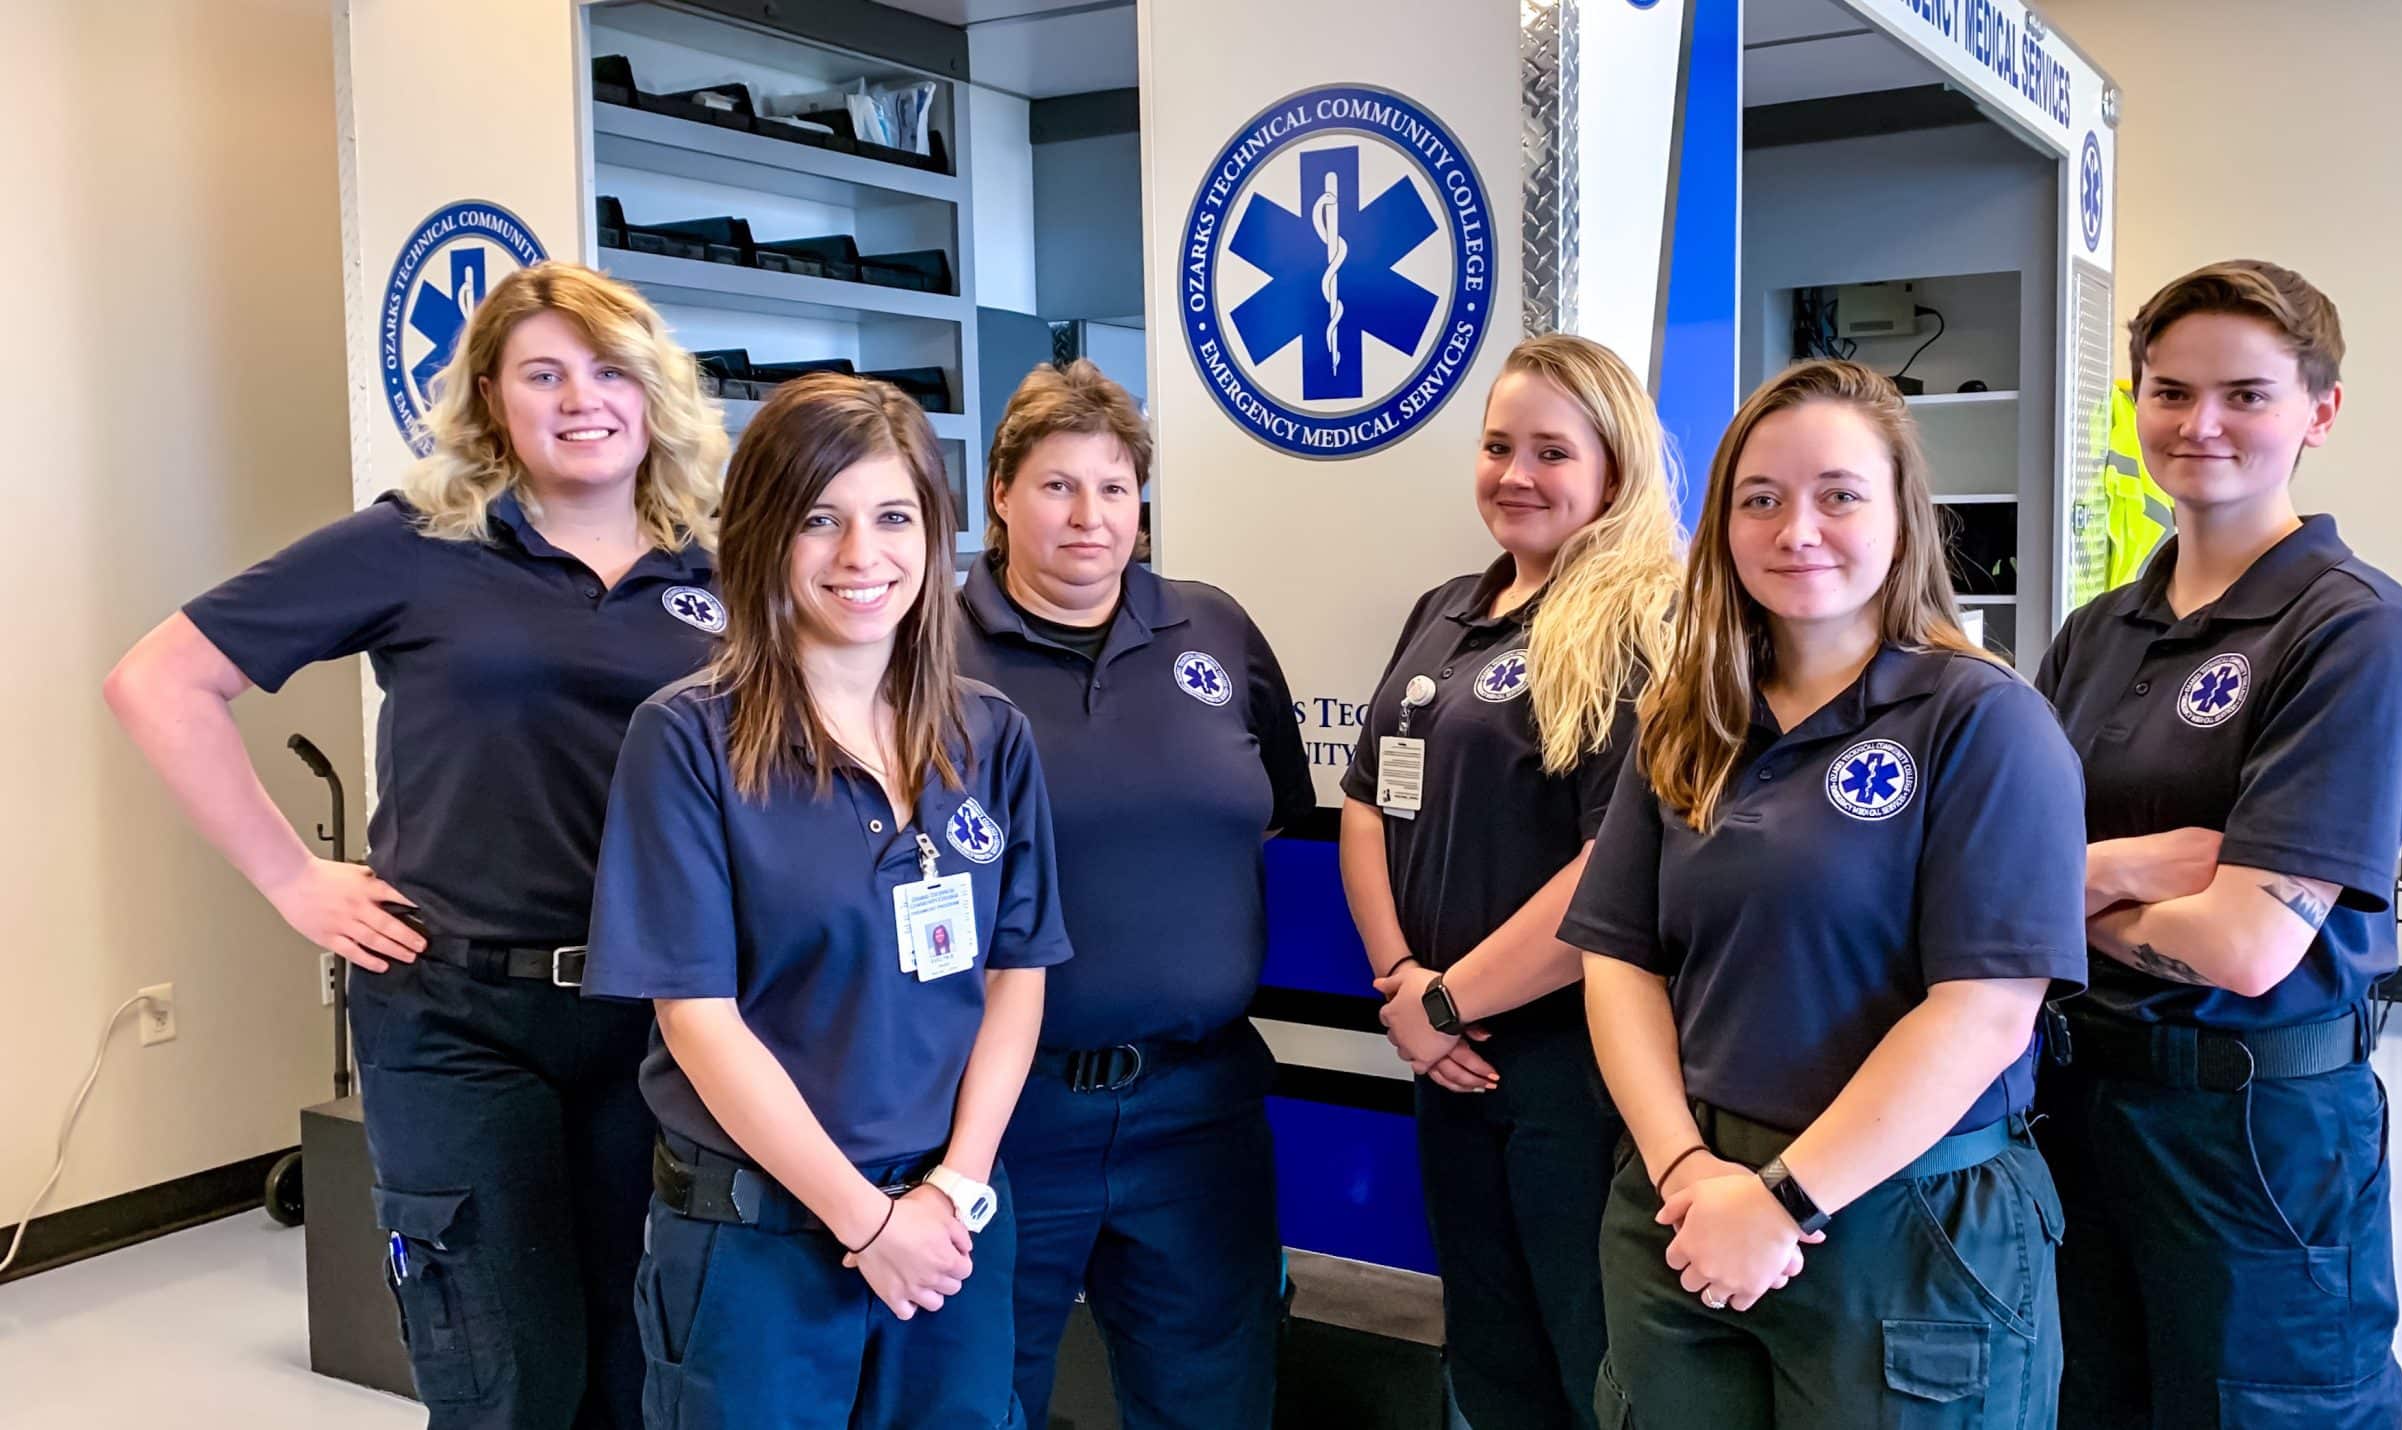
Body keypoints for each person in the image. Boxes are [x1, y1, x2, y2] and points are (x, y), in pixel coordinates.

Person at [104, 262, 725, 1429]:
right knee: (503, 1376)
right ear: (492, 399)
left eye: (607, 371)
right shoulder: (417, 544)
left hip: (666, 1015)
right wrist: (289, 876)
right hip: (458, 1015)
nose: (580, 398)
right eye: (542, 373)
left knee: (651, 1371)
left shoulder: (723, 565)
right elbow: (159, 681)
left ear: (653, 394)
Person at [1562, 358, 2088, 1427]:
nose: (1796, 527)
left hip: (1903, 1219)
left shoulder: (1980, 720)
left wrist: (1781, 1198)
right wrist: (1686, 1169)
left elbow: (1984, 1010)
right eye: (1760, 498)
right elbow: (1617, 955)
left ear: (1903, 518)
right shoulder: (1687, 714)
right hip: (1685, 1202)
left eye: (1839, 494)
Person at [582, 374, 1072, 1428]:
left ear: (939, 537)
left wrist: (951, 1191)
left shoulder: (989, 736)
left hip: (952, 1233)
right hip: (759, 1243)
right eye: (820, 518)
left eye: (895, 516)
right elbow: (696, 1017)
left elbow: (1015, 976)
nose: (863, 555)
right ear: (763, 534)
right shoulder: (688, 740)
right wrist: (865, 1221)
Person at [2033, 260, 2402, 1428]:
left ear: (2320, 409)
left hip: (2255, 1137)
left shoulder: (2354, 633)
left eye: (2245, 394)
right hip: (2075, 1104)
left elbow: (2248, 944)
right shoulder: (2097, 631)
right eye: (2168, 391)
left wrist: (2052, 891)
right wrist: (2115, 867)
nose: (2198, 424)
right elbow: (2001, 868)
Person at [954, 359, 1315, 1428]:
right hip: (996, 1114)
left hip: (1196, 1109)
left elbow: (1275, 813)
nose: (1089, 516)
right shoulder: (919, 645)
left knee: (1212, 1401)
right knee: (975, 1399)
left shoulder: (1213, 630)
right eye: (1057, 485)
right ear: (1000, 493)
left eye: (1114, 488)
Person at [1337, 333, 1683, 1430]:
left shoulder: (1636, 618)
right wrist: (1403, 980)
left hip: (1569, 1068)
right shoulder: (1449, 601)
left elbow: (1611, 868)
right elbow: (1363, 802)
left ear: (1612, 470)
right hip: (1440, 1052)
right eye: (1497, 446)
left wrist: (1447, 1002)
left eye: (1551, 451)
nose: (1516, 474)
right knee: (1487, 1352)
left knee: (1589, 1354)